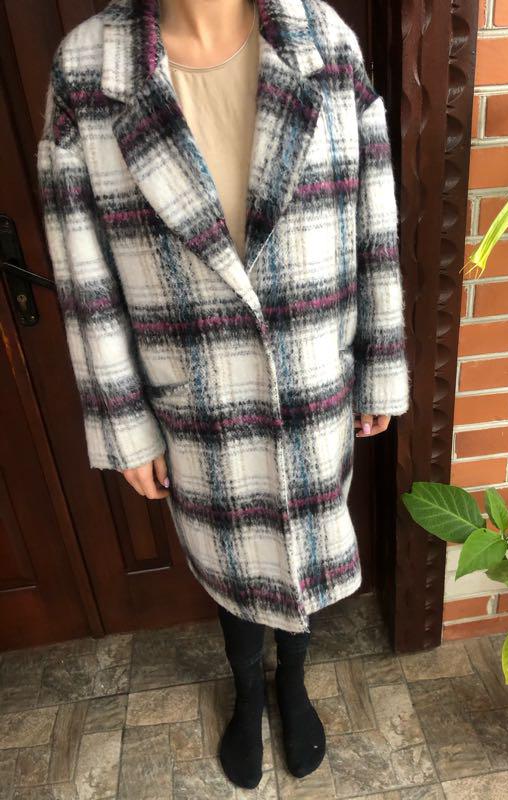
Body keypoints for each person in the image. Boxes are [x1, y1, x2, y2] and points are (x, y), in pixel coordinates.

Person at [37, 0, 410, 789]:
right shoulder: (88, 72)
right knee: (232, 557)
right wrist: (125, 423)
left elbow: (374, 220)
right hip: (197, 398)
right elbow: (83, 272)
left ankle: (293, 683)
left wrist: (380, 363)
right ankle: (247, 690)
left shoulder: (323, 40)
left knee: (303, 545)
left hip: (314, 381)